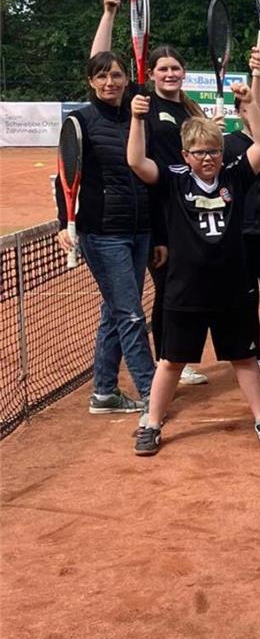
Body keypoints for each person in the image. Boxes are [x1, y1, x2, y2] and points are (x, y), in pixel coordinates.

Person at [125, 79, 260, 455]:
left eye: (213, 151)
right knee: (172, 361)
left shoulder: (234, 176)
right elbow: (136, 162)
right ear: (185, 154)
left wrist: (249, 105)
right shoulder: (174, 180)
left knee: (245, 357)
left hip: (232, 287)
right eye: (198, 152)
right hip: (185, 288)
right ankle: (151, 424)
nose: (207, 158)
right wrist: (135, 119)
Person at [89, 0, 210, 386]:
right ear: (152, 74)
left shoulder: (190, 110)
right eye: (163, 69)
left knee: (164, 292)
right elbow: (100, 64)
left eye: (176, 68)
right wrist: (109, 14)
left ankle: (125, 378)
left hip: (189, 211)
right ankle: (167, 365)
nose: (170, 73)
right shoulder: (140, 102)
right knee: (167, 291)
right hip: (156, 215)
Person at [55, 49, 154, 419]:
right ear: (91, 82)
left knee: (115, 312)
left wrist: (156, 234)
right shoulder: (80, 122)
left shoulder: (136, 115)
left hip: (140, 228)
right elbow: (65, 176)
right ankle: (150, 390)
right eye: (101, 76)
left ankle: (104, 392)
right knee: (130, 314)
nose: (109, 82)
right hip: (103, 233)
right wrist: (63, 222)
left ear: (126, 79)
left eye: (115, 75)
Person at [222, 48, 260, 387]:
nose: (256, 111)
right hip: (239, 237)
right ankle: (254, 356)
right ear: (238, 113)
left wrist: (257, 76)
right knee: (245, 303)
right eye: (247, 108)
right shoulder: (227, 145)